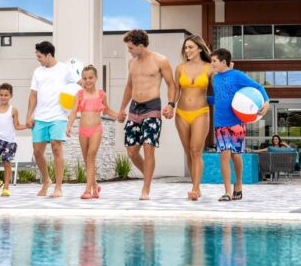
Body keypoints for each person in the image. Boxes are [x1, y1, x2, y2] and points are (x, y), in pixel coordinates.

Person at [117, 29, 176, 200]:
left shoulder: (160, 60)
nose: (129, 51)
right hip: (134, 108)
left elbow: (171, 84)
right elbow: (129, 86)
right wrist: (122, 109)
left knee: (149, 148)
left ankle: (146, 189)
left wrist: (171, 104)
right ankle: (148, 174)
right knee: (132, 152)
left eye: (130, 48)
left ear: (140, 46)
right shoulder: (132, 62)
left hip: (152, 108)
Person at [209, 48, 269, 201]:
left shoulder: (237, 75)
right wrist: (200, 101)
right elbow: (218, 98)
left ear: (223, 62)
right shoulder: (215, 78)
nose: (212, 64)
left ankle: (239, 184)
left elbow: (258, 87)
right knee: (224, 155)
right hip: (220, 122)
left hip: (237, 122)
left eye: (214, 61)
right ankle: (227, 191)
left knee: (236, 155)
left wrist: (266, 102)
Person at [26, 40, 79, 198]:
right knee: (37, 151)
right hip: (40, 116)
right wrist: (29, 115)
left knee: (56, 147)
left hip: (58, 115)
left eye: (40, 56)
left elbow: (79, 85)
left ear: (49, 55)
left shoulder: (65, 69)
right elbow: (33, 94)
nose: (38, 59)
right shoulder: (38, 72)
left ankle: (58, 187)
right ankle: (46, 180)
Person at [65, 65, 119, 199]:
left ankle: (87, 190)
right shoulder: (79, 94)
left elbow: (106, 110)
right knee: (87, 160)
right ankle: (95, 186)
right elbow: (72, 113)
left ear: (96, 78)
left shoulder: (101, 94)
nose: (87, 81)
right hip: (83, 130)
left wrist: (119, 115)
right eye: (84, 78)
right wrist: (69, 126)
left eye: (90, 78)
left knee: (90, 157)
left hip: (96, 130)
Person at [173, 35, 213, 201]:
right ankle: (195, 184)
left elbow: (220, 88)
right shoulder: (180, 68)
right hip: (181, 113)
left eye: (190, 47)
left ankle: (195, 188)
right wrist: (169, 104)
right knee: (189, 152)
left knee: (196, 150)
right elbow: (176, 90)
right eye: (186, 48)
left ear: (199, 48)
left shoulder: (210, 68)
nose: (187, 50)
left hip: (201, 112)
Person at [0, 83, 27, 197]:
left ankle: (6, 188)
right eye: (1, 95)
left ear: (10, 96)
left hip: (10, 141)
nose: (3, 97)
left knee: (7, 163)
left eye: (6, 95)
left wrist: (28, 125)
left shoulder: (13, 110)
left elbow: (17, 126)